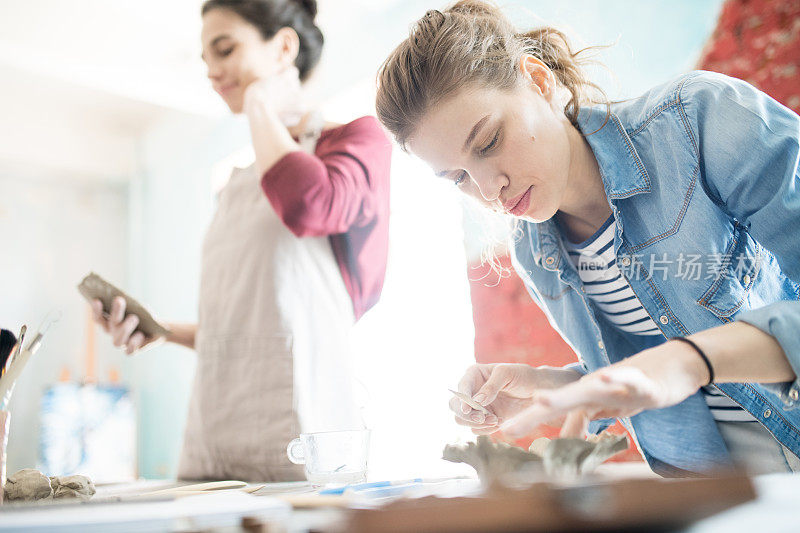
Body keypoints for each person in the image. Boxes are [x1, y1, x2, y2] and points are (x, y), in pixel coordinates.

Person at [375, 0, 800, 477]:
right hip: (717, 489)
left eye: (490, 141)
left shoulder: (699, 120)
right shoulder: (534, 251)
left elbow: (676, 360)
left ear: (539, 80)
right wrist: (553, 385)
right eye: (457, 177)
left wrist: (688, 361)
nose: (487, 188)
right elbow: (649, 365)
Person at [92, 0, 391, 481]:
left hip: (302, 436)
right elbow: (250, 322)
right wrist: (160, 329)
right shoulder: (233, 185)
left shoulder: (358, 141)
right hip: (212, 435)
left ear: (284, 48)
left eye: (225, 49)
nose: (211, 71)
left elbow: (308, 204)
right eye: (205, 58)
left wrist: (258, 104)